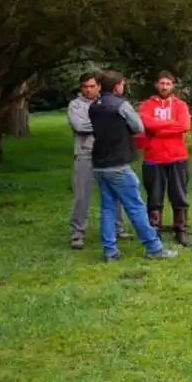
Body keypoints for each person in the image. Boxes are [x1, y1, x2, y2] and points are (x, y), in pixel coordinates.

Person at [88, 70, 178, 261]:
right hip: (118, 164)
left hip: (99, 164)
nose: (123, 86)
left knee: (108, 207)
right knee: (136, 206)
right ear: (117, 85)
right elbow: (138, 127)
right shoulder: (121, 105)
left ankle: (110, 252)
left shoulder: (94, 105)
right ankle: (154, 248)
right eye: (122, 83)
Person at [67, 72, 131, 250]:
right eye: (85, 87)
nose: (88, 90)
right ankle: (77, 233)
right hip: (85, 154)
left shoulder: (107, 102)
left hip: (107, 153)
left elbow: (124, 122)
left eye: (92, 86)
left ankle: (118, 228)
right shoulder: (76, 105)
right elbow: (79, 126)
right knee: (81, 195)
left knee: (114, 193)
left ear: (99, 86)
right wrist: (107, 123)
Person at [134, 71, 192, 247]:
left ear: (172, 86)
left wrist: (157, 129)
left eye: (168, 83)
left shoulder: (180, 105)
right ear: (156, 85)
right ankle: (155, 230)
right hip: (154, 157)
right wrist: (171, 126)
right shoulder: (145, 106)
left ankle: (181, 230)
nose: (164, 86)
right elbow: (146, 123)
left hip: (177, 156)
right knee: (154, 196)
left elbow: (185, 125)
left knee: (179, 195)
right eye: (162, 83)